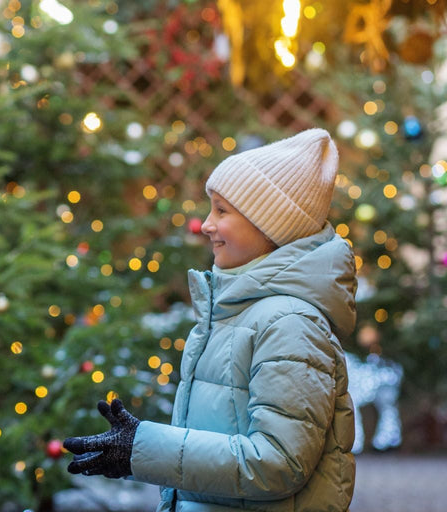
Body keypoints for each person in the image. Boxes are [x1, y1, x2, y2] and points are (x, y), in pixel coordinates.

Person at [63, 128, 356, 511]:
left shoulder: (289, 323)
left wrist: (145, 448)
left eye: (222, 210)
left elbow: (278, 462)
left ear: (269, 225)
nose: (206, 225)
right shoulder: (239, 310)